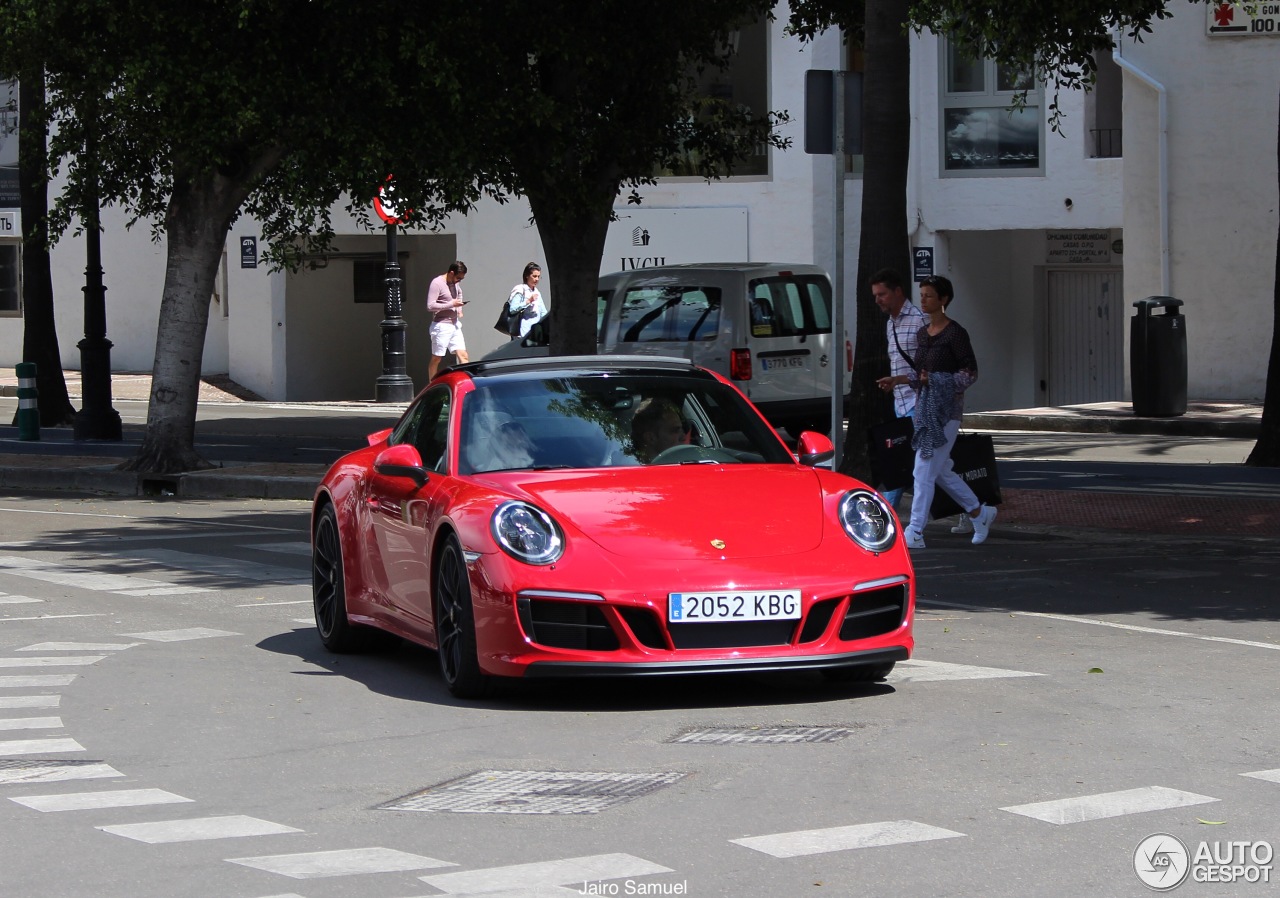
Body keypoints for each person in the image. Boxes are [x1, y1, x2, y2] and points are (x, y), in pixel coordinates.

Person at [877, 275, 996, 549]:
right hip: (923, 409)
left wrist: (939, 380)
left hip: (946, 411)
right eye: (922, 295)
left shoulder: (956, 333)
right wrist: (898, 380)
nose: (924, 300)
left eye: (929, 295)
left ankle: (915, 530)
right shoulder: (923, 334)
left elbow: (969, 373)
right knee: (939, 470)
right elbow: (919, 374)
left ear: (944, 300)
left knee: (922, 469)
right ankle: (979, 512)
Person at [871, 268, 927, 512]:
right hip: (900, 403)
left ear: (898, 292)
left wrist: (900, 380)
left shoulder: (919, 321)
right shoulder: (890, 323)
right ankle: (974, 508)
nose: (878, 300)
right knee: (927, 464)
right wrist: (894, 383)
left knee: (904, 461)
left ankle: (886, 513)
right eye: (875, 295)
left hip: (920, 402)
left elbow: (929, 371)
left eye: (882, 294)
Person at [427, 261, 468, 380]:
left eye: (461, 279)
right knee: (437, 358)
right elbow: (430, 306)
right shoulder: (437, 283)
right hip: (441, 325)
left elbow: (459, 293)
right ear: (451, 273)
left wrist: (459, 308)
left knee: (463, 355)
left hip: (455, 324)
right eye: (458, 278)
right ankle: (431, 387)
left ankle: (467, 385)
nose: (459, 281)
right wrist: (451, 304)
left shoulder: (455, 283)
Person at [631, 397, 686, 463]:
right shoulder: (630, 471)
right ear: (650, 438)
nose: (683, 437)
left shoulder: (685, 466)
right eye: (675, 430)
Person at [507, 262, 548, 340]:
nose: (537, 279)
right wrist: (528, 301)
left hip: (534, 335)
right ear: (527, 276)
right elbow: (512, 309)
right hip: (521, 335)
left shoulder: (537, 292)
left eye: (538, 277)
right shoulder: (520, 290)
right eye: (534, 276)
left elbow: (543, 312)